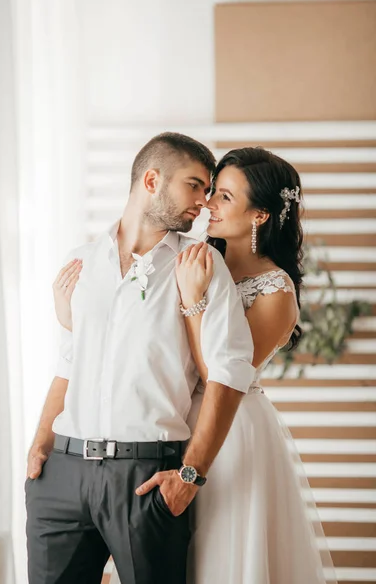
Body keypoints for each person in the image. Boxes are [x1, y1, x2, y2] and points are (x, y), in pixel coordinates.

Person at [54, 146, 336, 584]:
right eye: (208, 191)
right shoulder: (193, 257)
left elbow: (219, 375)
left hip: (230, 430)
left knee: (215, 560)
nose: (208, 204)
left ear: (259, 215)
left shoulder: (275, 290)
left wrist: (194, 302)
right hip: (171, 422)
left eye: (223, 196)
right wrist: (70, 317)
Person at [25, 133, 256, 584]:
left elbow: (229, 375)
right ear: (152, 180)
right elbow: (69, 362)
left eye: (208, 190)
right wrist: (39, 448)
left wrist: (190, 475)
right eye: (194, 185)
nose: (203, 201)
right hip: (62, 478)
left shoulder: (201, 265)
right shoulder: (81, 263)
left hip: (147, 478)